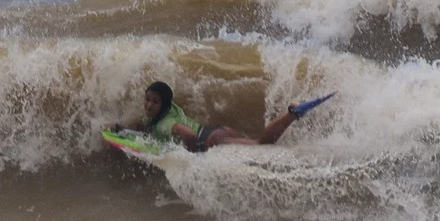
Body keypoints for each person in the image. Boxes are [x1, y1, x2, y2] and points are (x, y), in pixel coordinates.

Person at [114, 81, 332, 152]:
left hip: (212, 140)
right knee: (258, 146)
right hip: (217, 131)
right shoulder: (169, 111)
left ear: (163, 105)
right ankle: (291, 116)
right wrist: (123, 128)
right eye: (148, 99)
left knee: (262, 145)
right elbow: (144, 125)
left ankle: (292, 114)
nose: (149, 105)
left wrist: (180, 154)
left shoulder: (166, 123)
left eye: (155, 101)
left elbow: (188, 136)